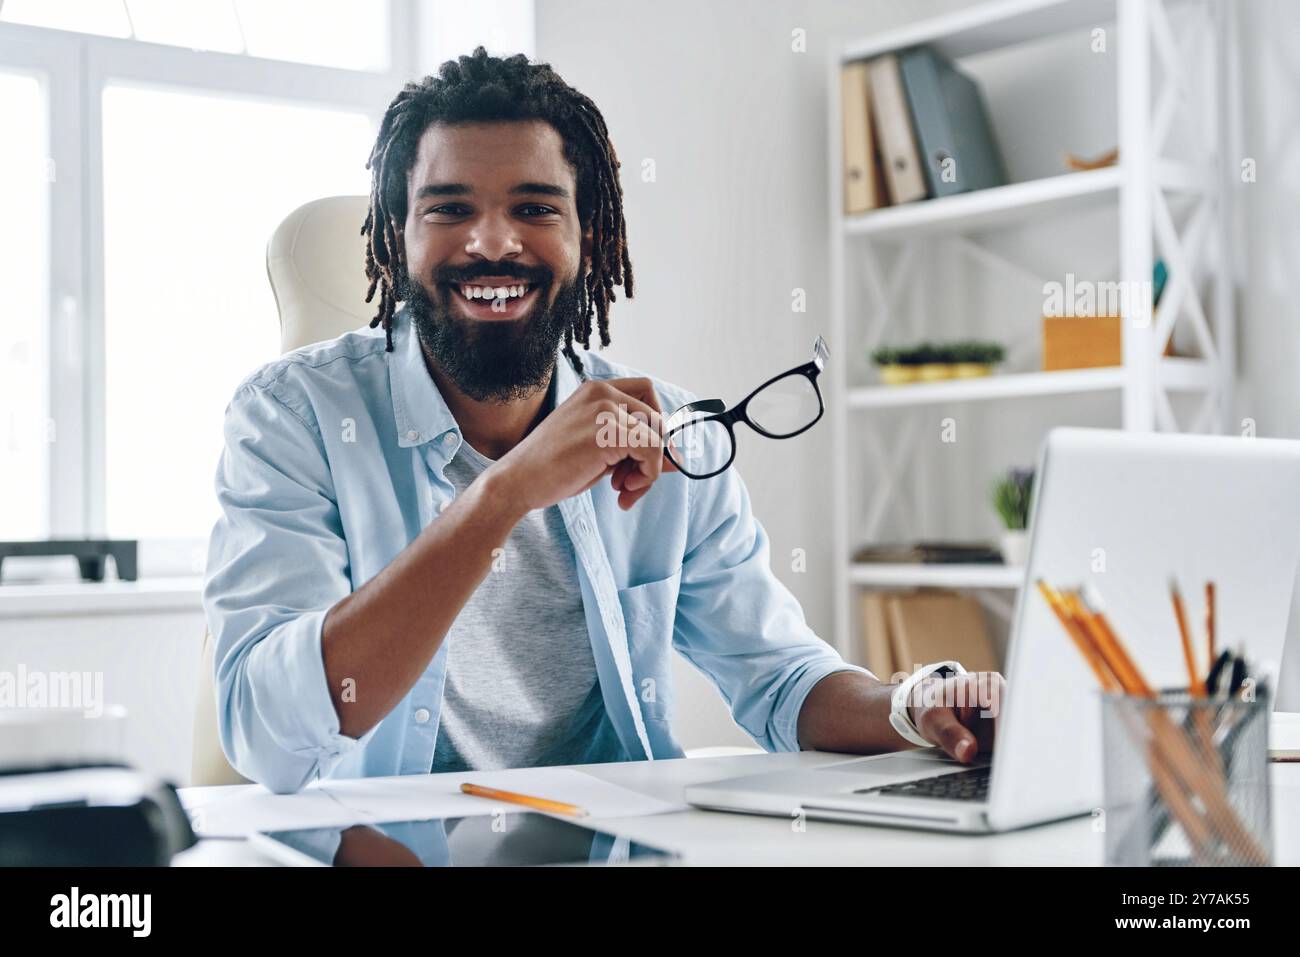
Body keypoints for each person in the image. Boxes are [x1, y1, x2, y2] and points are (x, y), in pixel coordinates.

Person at [202, 47, 1002, 794]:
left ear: (591, 237)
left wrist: (909, 708)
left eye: (534, 207)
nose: (492, 241)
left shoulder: (668, 431)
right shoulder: (291, 416)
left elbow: (781, 678)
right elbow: (267, 735)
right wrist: (506, 492)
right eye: (449, 208)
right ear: (396, 237)